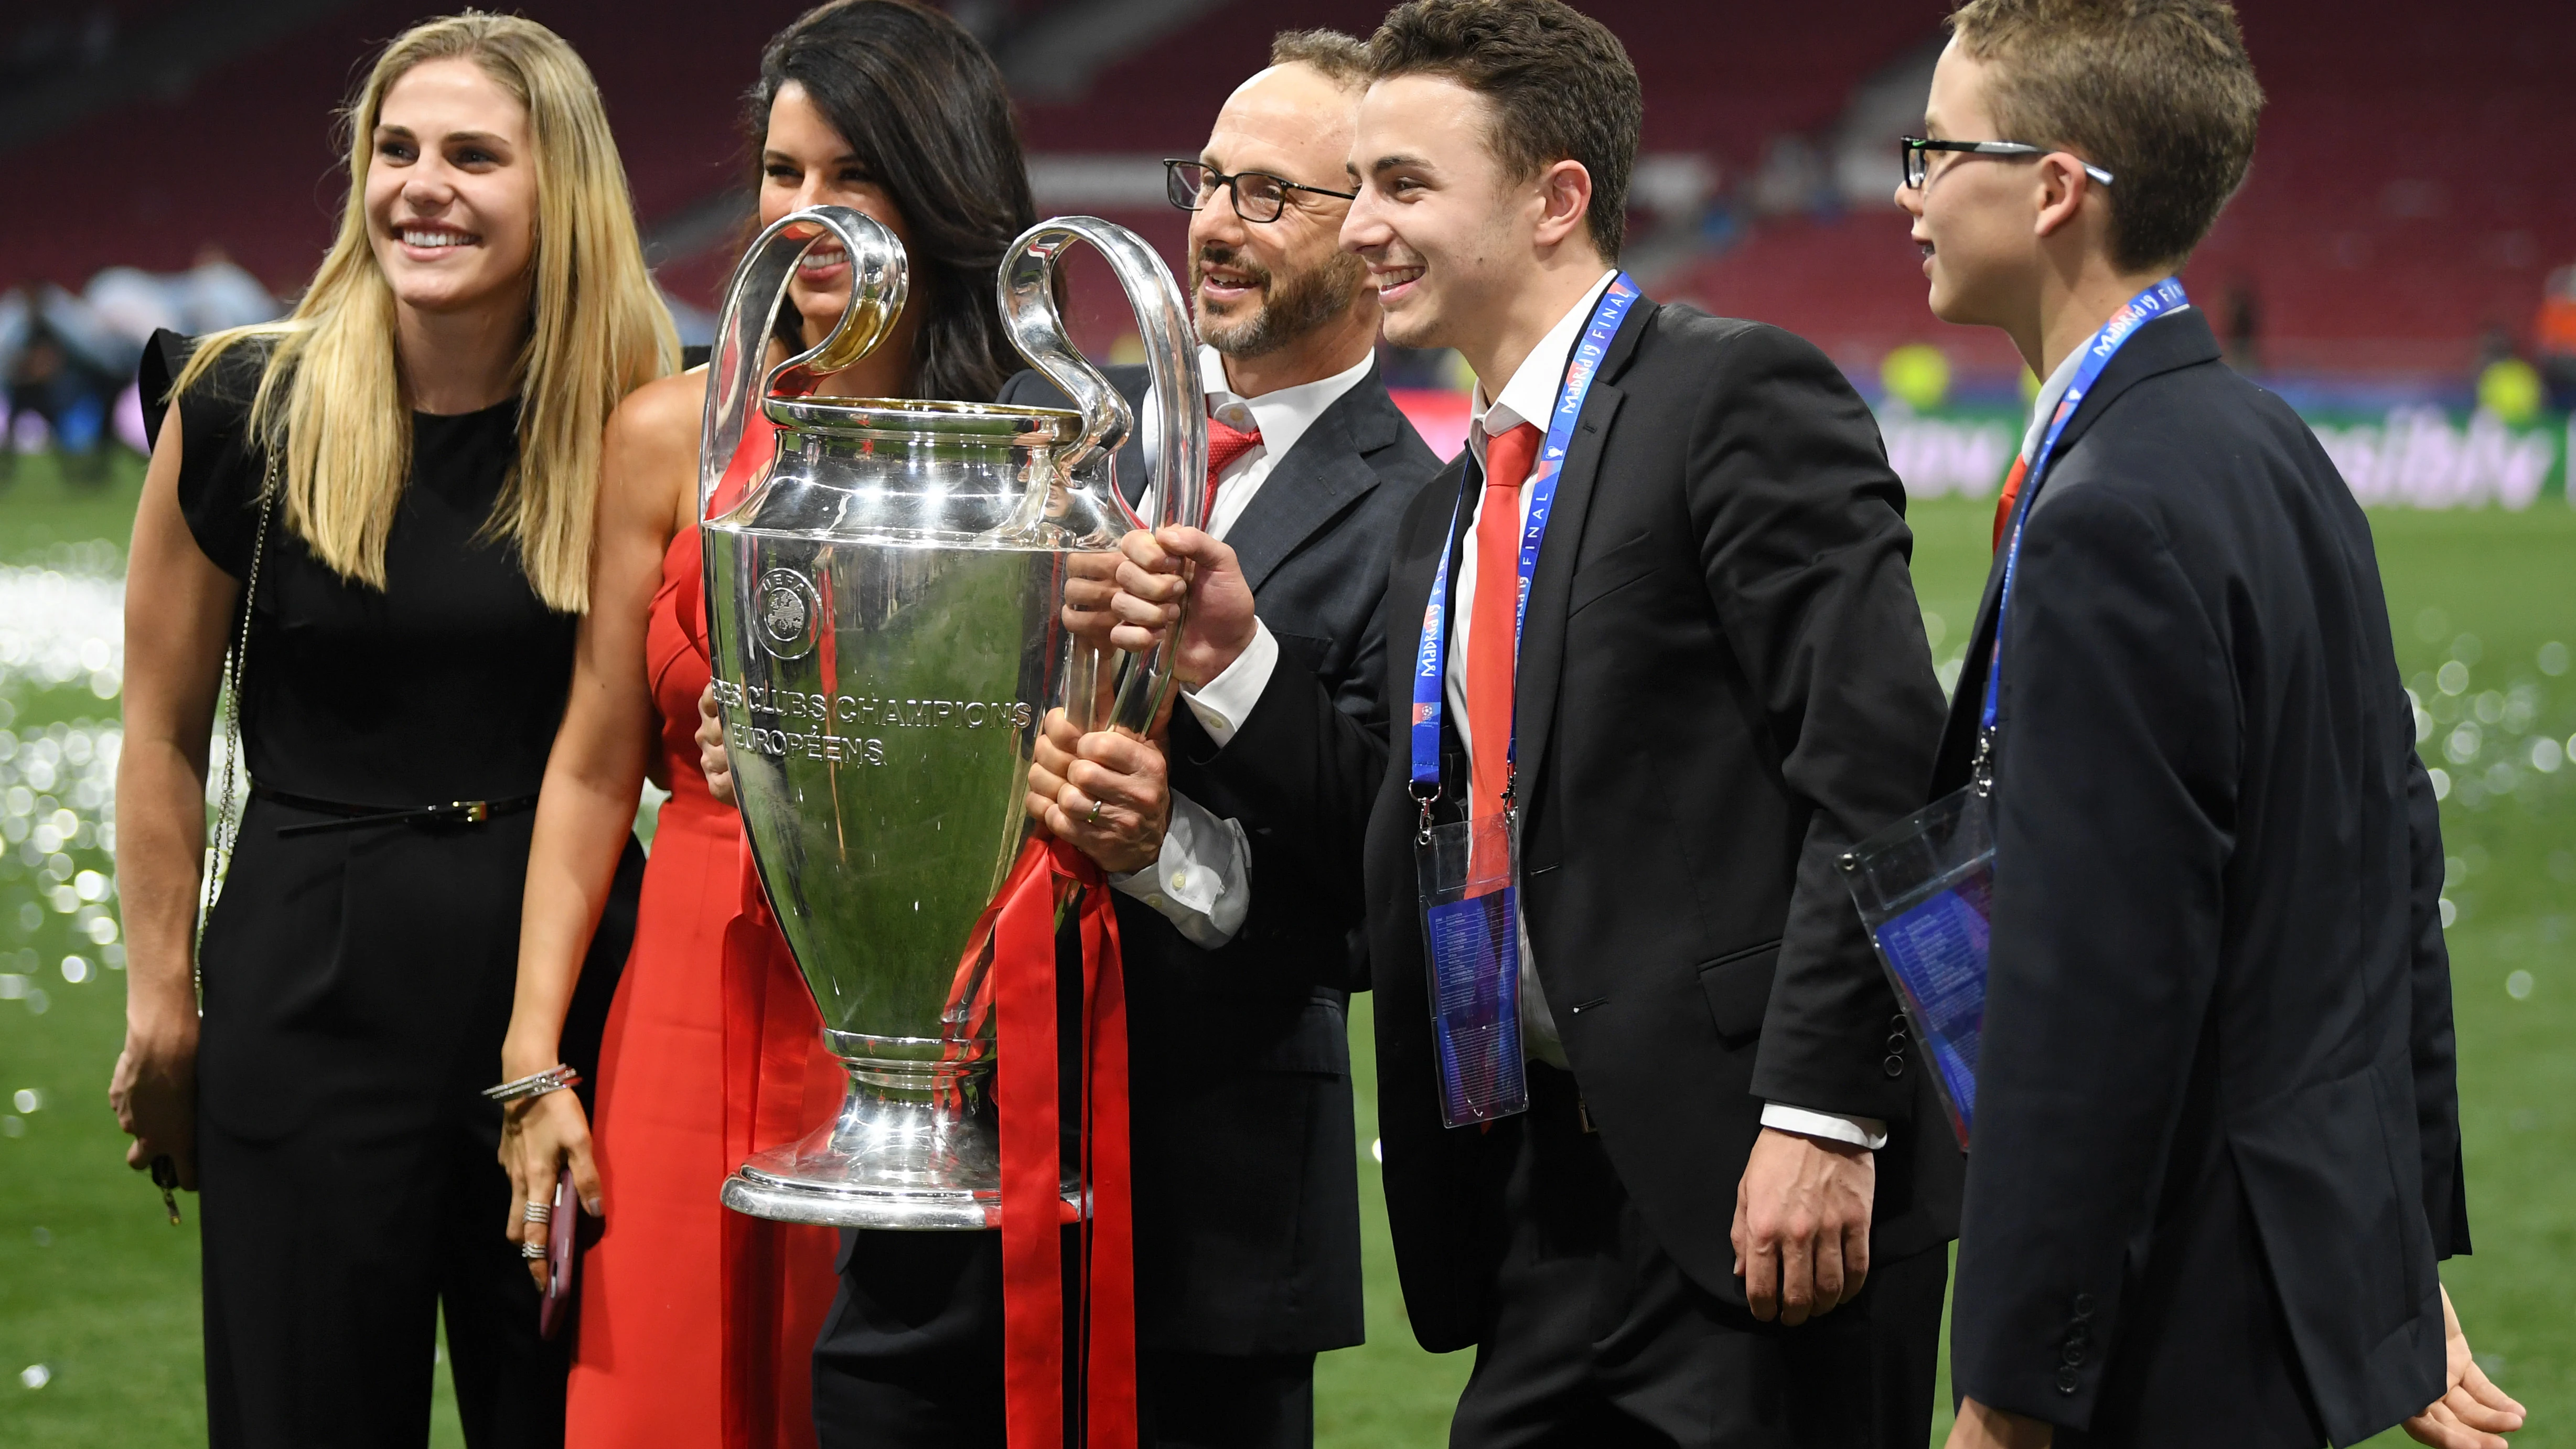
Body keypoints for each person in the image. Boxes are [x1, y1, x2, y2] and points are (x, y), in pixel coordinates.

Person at [1102, 3, 1958, 1444]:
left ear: (1556, 197)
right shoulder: (1452, 502)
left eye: (1404, 186)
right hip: (1538, 1203)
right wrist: (1232, 661)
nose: (1364, 227)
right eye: (1359, 184)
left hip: (1758, 1189)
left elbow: (1878, 777)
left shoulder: (1731, 397)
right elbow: (1400, 845)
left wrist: (1824, 1116)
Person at [1893, 4, 2526, 1448]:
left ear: (2052, 188)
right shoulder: (2271, 445)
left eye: (1934, 149)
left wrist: (2007, 1395)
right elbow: (2384, 868)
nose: (1909, 192)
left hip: (2157, 1329)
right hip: (2270, 1294)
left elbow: (2095, 996)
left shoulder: (2112, 504)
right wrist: (2389, 1262)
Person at [109, 14, 675, 1446]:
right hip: (306, 994)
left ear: (563, 191)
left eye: (474, 156)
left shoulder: (636, 418)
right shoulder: (241, 405)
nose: (423, 186)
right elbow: (161, 735)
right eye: (396, 149)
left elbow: (668, 719)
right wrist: (163, 1007)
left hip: (576, 1002)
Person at [494, 4, 1041, 1446]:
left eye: (850, 176)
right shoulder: (666, 436)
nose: (804, 216)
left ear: (941, 191)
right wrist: (535, 1060)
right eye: (782, 172)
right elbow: (597, 761)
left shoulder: (1031, 453)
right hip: (695, 976)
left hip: (945, 1002)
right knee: (676, 1391)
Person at [981, 29, 1445, 1446]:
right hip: (977, 1128)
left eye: (1270, 196)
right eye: (1211, 181)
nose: (1214, 224)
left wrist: (1175, 811)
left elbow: (1390, 878)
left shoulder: (1423, 510)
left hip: (1218, 1187)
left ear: (1375, 244)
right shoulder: (1049, 432)